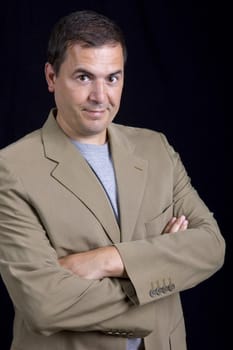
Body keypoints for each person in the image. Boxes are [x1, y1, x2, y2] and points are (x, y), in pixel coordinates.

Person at [0, 10, 225, 350]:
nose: (100, 96)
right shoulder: (11, 168)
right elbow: (43, 303)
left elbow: (211, 246)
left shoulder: (156, 149)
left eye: (112, 78)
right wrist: (156, 278)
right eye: (83, 77)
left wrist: (106, 260)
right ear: (51, 76)